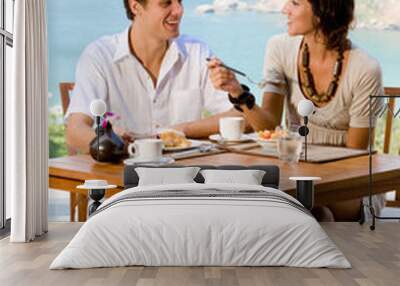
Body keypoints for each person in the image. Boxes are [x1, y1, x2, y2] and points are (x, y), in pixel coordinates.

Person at [208, 0, 384, 221]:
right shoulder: (280, 48)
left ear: (323, 11)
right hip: (297, 172)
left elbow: (354, 157)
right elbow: (269, 125)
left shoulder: (365, 68)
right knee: (312, 214)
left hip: (349, 183)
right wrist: (237, 92)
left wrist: (303, 173)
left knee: (308, 213)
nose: (284, 10)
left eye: (295, 3)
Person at [65, 0, 240, 154]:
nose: (179, 10)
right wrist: (116, 146)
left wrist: (181, 130)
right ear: (136, 7)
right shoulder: (100, 55)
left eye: (179, 1)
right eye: (166, 3)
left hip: (185, 176)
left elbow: (238, 116)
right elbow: (75, 131)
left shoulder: (196, 51)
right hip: (123, 176)